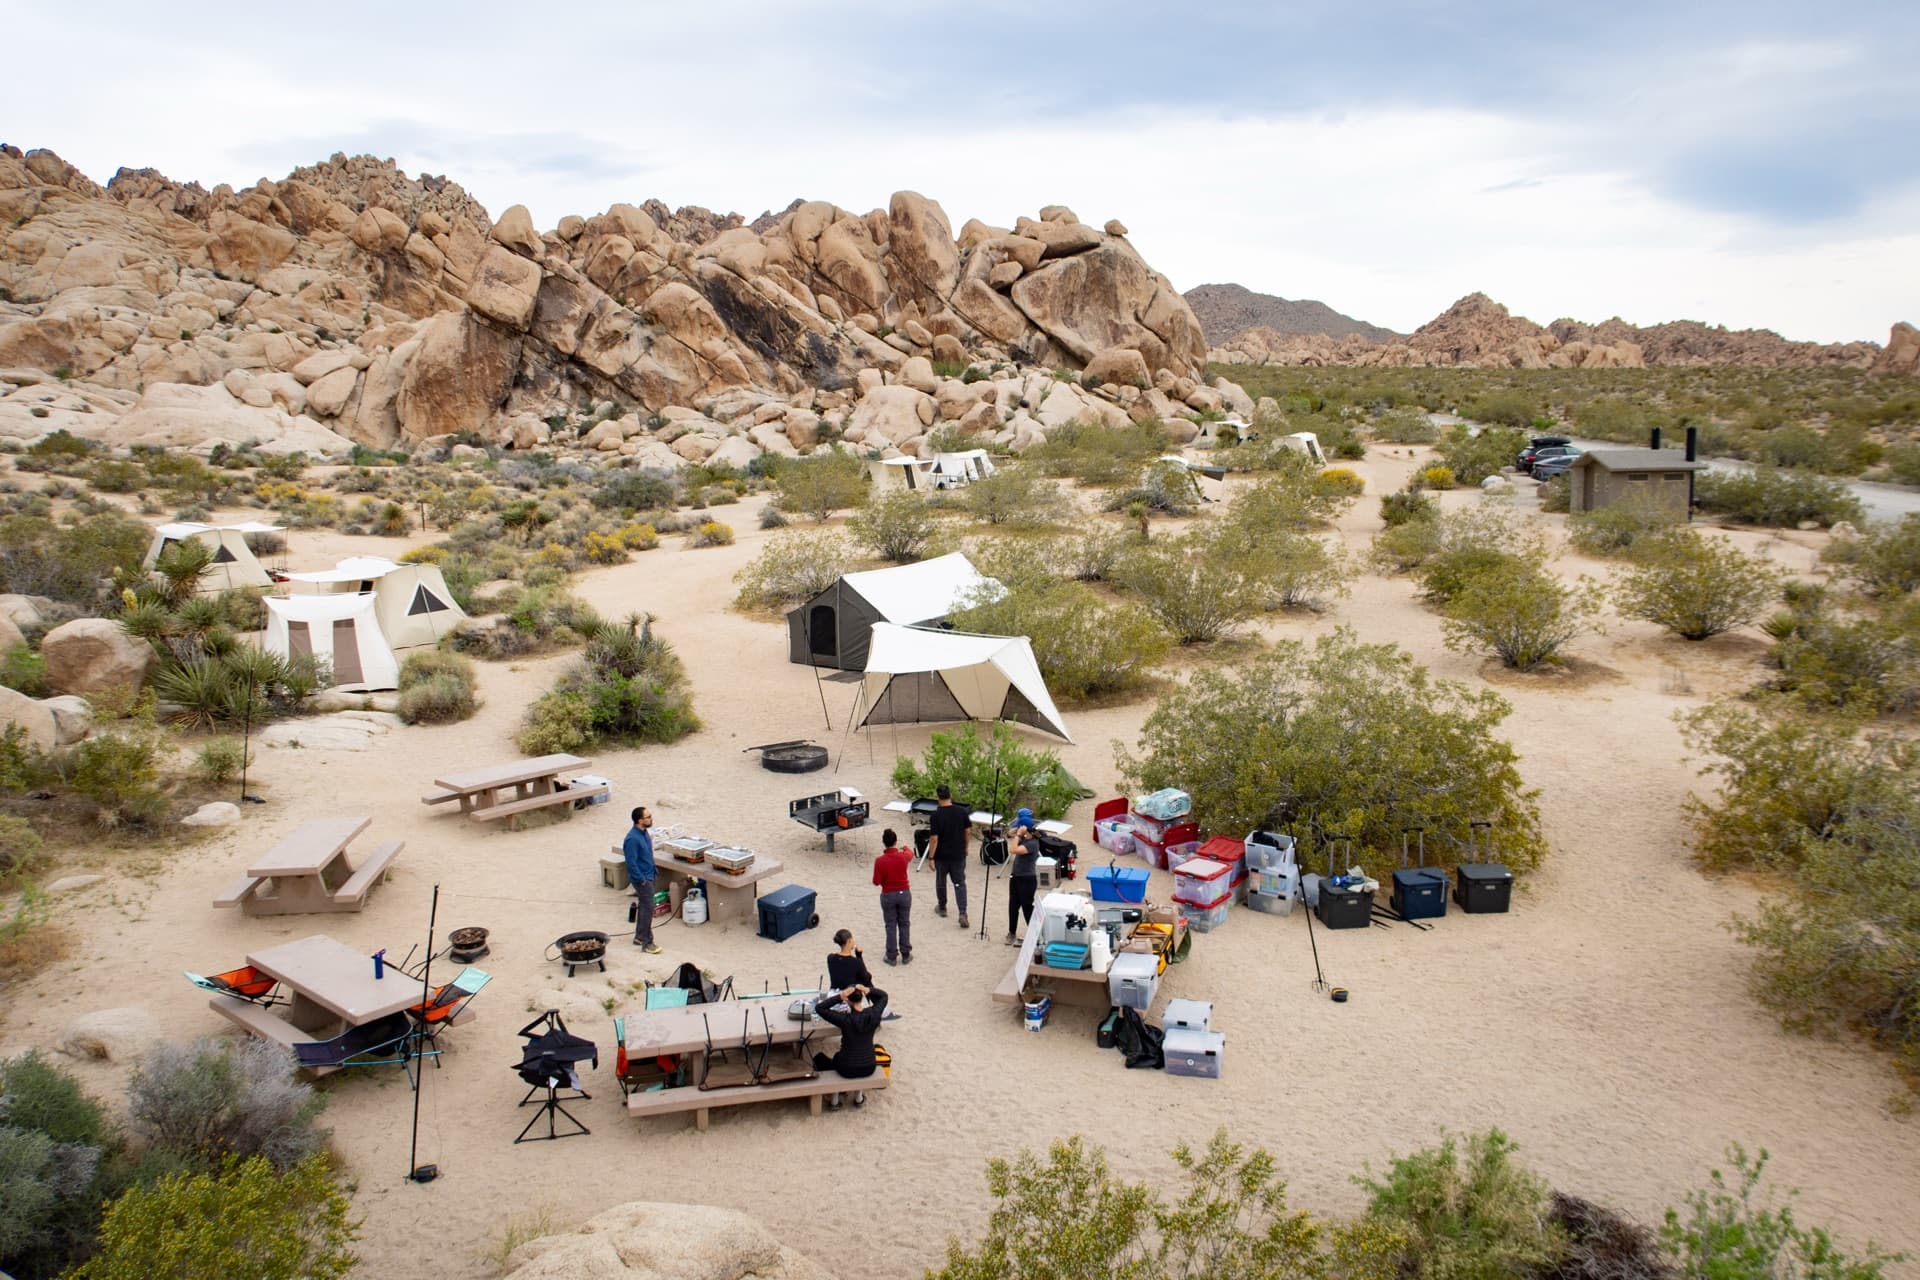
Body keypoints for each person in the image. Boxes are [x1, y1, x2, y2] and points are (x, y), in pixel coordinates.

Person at [813, 982, 887, 1110]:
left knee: (819, 1058)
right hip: (869, 1066)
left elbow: (819, 1008)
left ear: (848, 1000)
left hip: (846, 1068)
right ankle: (859, 1098)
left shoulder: (845, 1019)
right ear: (862, 997)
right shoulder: (874, 1014)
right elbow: (884, 996)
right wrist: (867, 989)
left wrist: (840, 996)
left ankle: (835, 1100)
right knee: (852, 1055)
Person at [927, 784, 970, 929]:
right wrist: (966, 846)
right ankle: (963, 912)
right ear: (950, 795)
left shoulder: (936, 815)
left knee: (941, 881)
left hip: (942, 856)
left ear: (938, 797)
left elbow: (934, 838)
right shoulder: (961, 811)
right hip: (958, 854)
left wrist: (931, 857)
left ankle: (942, 907)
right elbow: (967, 831)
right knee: (959, 883)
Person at [624, 805, 662, 954]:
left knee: (645, 907)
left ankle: (639, 936)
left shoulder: (644, 833)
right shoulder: (632, 839)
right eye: (648, 817)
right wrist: (641, 880)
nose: (651, 819)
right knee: (647, 909)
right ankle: (647, 942)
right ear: (640, 821)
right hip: (642, 879)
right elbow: (631, 863)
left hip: (650, 874)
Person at [872, 828, 913, 965]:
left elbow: (876, 881)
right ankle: (906, 953)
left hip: (888, 894)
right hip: (904, 893)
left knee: (890, 925)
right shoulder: (903, 857)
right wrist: (905, 847)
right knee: (904, 923)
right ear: (895, 841)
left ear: (884, 843)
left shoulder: (880, 861)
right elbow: (910, 853)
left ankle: (891, 955)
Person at [1005, 808, 1040, 945]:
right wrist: (1017, 832)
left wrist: (1018, 835)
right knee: (1013, 905)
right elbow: (1009, 833)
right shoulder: (1027, 837)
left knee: (1027, 907)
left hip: (1027, 879)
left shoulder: (1032, 843)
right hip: (1016, 876)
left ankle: (1035, 934)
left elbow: (1013, 850)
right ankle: (1011, 932)